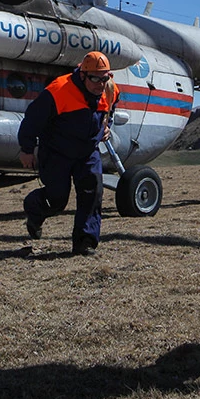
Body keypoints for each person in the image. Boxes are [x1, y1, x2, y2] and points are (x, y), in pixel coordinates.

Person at [17, 51, 118, 256]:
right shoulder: (59, 90)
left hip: (87, 150)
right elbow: (32, 119)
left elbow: (109, 110)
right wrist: (27, 149)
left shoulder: (110, 89)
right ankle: (34, 209)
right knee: (57, 199)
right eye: (95, 79)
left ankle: (85, 242)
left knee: (93, 191)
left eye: (104, 78)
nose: (100, 84)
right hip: (56, 152)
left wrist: (106, 126)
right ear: (82, 75)